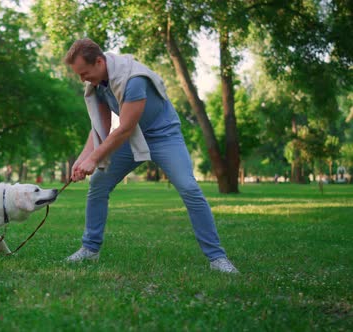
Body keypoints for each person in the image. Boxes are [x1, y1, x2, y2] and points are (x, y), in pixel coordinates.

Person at [64, 38, 238, 273]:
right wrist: (83, 158)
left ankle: (217, 258)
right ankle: (90, 250)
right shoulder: (98, 83)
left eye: (84, 73)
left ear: (99, 61)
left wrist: (94, 159)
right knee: (99, 183)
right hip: (130, 137)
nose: (83, 80)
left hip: (162, 136)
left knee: (189, 187)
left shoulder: (133, 80)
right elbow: (100, 127)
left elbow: (124, 128)